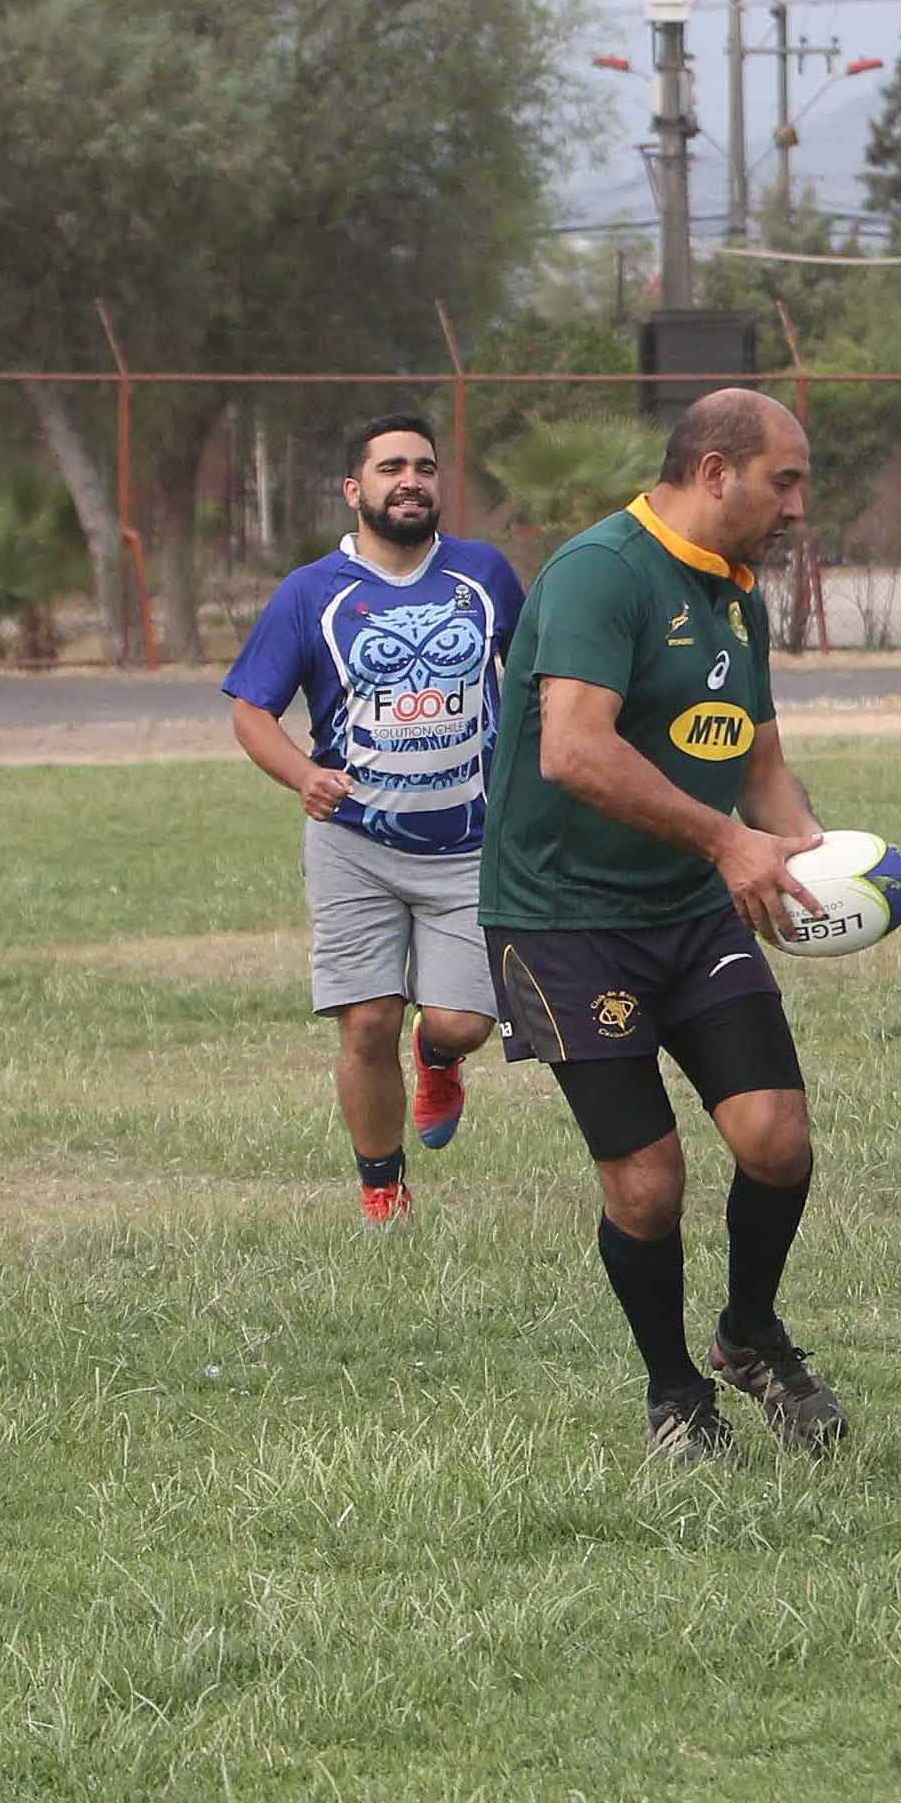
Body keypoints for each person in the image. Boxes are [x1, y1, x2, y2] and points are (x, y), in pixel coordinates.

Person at [479, 389, 845, 1461]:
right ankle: (673, 1389)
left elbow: (762, 767)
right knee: (646, 1184)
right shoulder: (603, 573)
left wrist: (816, 859)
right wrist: (728, 847)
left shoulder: (738, 598)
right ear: (719, 470)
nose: (797, 505)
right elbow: (575, 753)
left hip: (689, 910)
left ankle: (749, 1332)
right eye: (786, 480)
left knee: (776, 1141)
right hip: (564, 919)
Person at [227, 412, 524, 1227]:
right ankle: (381, 1189)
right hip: (353, 842)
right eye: (392, 468)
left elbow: (537, 678)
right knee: (367, 1020)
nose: (412, 481)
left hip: (470, 842)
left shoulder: (484, 575)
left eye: (425, 467)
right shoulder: (311, 592)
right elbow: (252, 710)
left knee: (461, 1022)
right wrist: (303, 775)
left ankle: (438, 1061)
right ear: (356, 490)